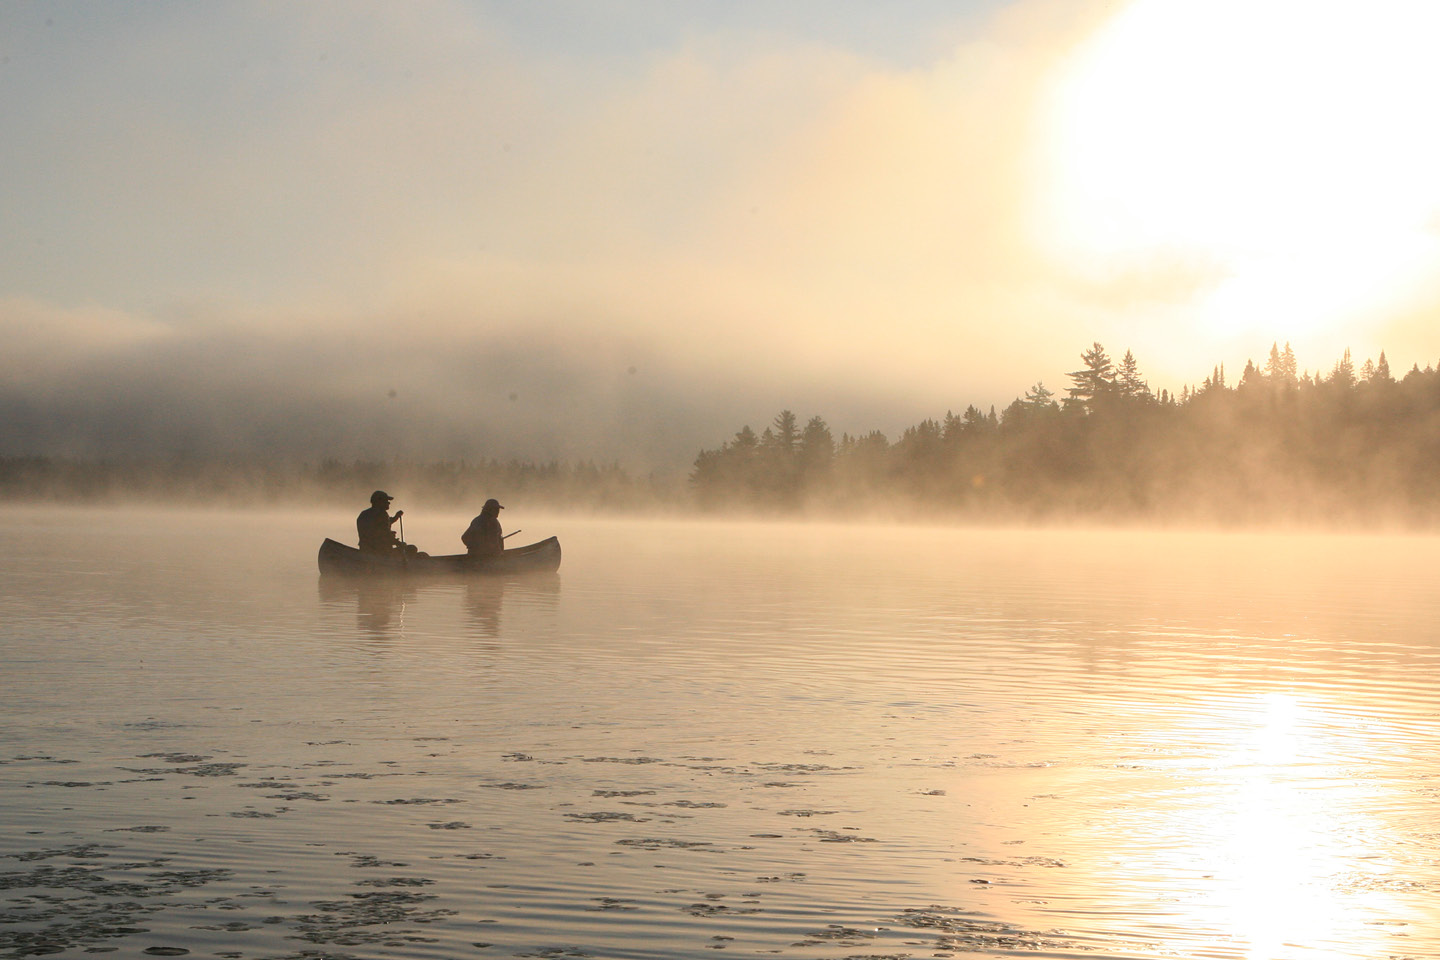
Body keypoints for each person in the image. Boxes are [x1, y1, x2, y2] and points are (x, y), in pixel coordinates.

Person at [357, 490, 404, 555]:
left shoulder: (364, 513)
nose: (388, 503)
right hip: (380, 551)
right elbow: (384, 534)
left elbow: (380, 524)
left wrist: (396, 517)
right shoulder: (382, 514)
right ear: (379, 501)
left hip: (364, 548)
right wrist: (398, 543)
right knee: (412, 549)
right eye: (386, 501)